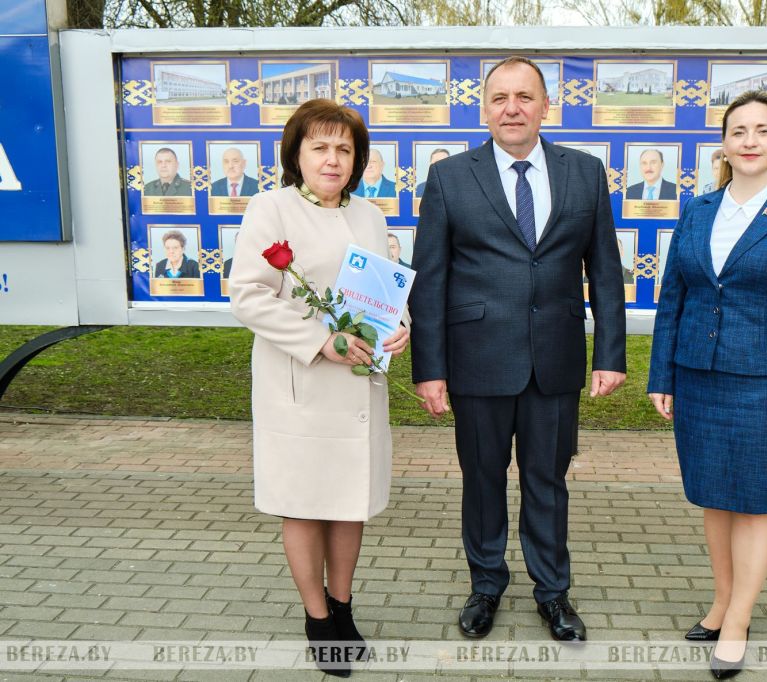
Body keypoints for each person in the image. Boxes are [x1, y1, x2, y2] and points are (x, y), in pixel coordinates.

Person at [409, 56, 626, 643]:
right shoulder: (451, 177)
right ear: (483, 108)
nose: (512, 108)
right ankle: (486, 585)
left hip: (554, 360)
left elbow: (604, 271)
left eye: (525, 97)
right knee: (481, 479)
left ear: (545, 106)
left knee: (547, 481)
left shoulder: (584, 172)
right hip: (476, 360)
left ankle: (553, 593)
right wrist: (429, 369)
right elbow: (429, 280)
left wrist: (610, 353)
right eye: (500, 97)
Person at [647, 90, 767, 680]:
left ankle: (738, 621)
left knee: (755, 502)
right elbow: (674, 297)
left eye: (762, 130)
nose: (750, 141)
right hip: (698, 378)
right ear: (723, 144)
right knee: (713, 496)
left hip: (764, 385)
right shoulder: (699, 210)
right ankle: (721, 601)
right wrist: (663, 374)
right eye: (738, 131)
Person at [229, 99, 410, 678]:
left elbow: (384, 291)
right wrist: (319, 340)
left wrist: (398, 327)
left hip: (357, 387)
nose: (332, 160)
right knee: (305, 503)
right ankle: (316, 617)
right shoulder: (271, 208)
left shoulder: (371, 215)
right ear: (297, 153)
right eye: (320, 147)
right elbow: (249, 295)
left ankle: (343, 603)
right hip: (301, 381)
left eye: (344, 149)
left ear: (357, 160)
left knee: (349, 501)